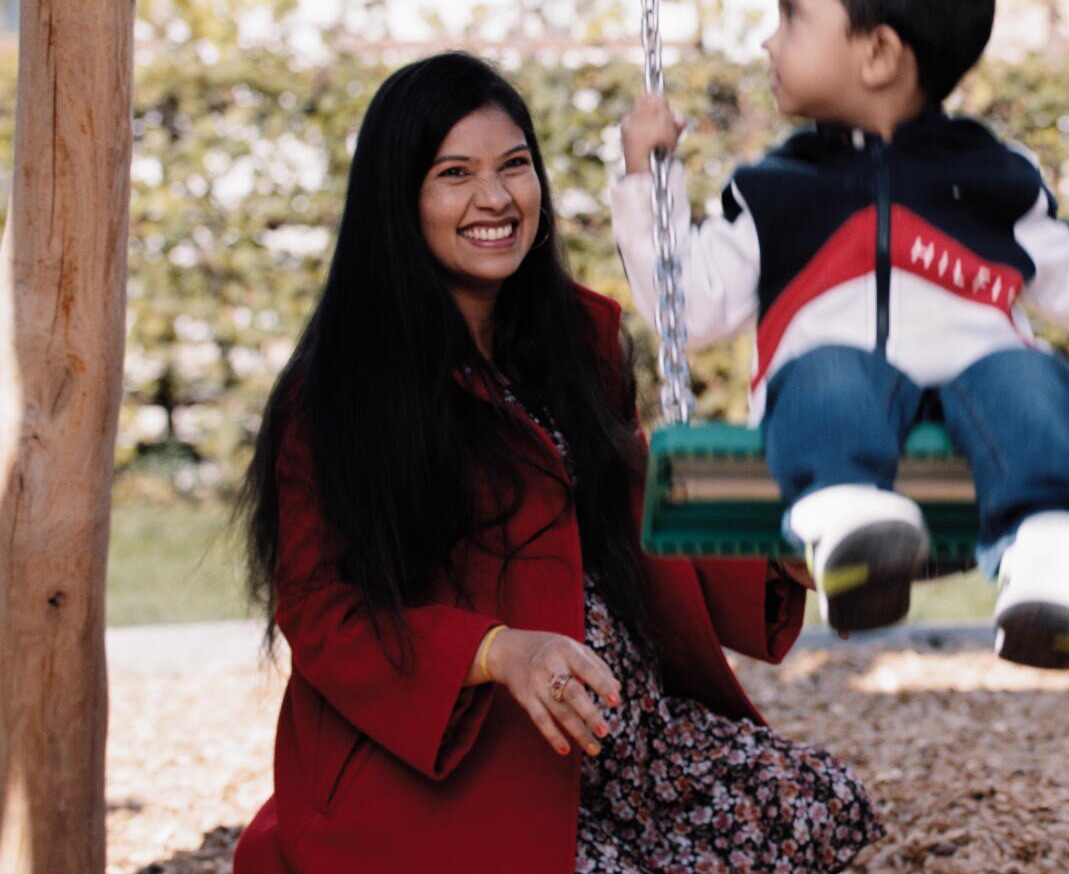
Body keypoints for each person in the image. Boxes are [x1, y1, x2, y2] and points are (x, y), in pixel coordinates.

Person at [231, 52, 881, 872]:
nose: (496, 199)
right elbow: (321, 609)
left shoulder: (576, 340)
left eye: (514, 166)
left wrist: (779, 551)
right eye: (454, 174)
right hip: (475, 757)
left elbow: (632, 507)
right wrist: (500, 652)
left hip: (626, 741)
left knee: (820, 805)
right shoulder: (342, 392)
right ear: (401, 201)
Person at [615, 0, 1069, 670]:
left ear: (879, 54)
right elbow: (685, 310)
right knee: (827, 372)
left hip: (981, 405)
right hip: (835, 421)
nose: (768, 39)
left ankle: (1048, 567)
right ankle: (856, 529)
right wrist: (643, 181)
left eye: (791, 16)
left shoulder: (993, 176)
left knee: (1034, 379)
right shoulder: (774, 188)